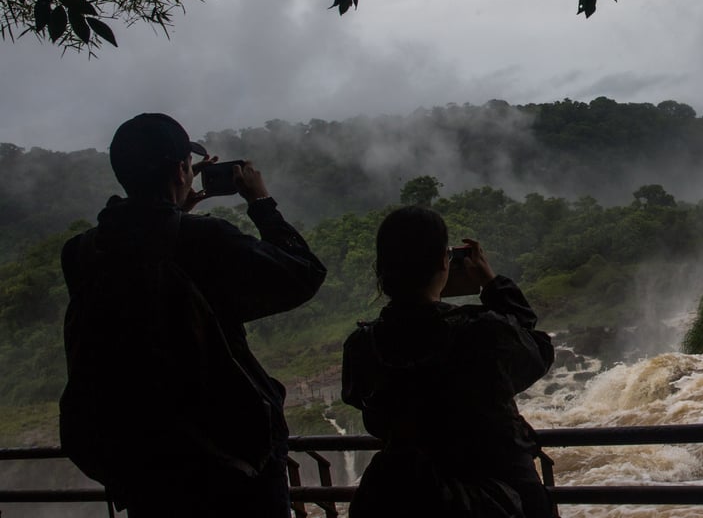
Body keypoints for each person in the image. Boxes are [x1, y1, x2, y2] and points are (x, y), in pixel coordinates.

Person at [60, 112, 327, 517]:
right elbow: (303, 274)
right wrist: (261, 202)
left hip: (142, 466)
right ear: (183, 170)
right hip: (231, 467)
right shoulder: (204, 240)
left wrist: (175, 209)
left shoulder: (80, 253)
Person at [342, 206, 555, 518]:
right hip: (496, 494)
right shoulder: (480, 331)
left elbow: (360, 401)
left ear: (382, 268)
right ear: (446, 261)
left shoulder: (362, 344)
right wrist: (491, 284)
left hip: (402, 497)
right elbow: (536, 352)